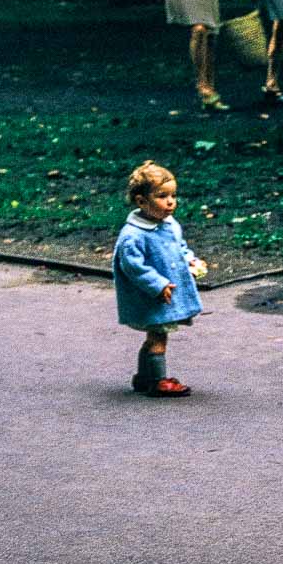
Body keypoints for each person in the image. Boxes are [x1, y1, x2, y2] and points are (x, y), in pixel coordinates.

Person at [112, 162, 207, 398]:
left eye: (173, 195)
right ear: (141, 201)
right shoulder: (133, 235)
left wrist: (190, 260)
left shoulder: (170, 224)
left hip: (165, 294)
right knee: (158, 335)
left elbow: (179, 247)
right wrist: (157, 284)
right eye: (162, 196)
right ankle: (157, 380)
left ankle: (144, 377)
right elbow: (133, 266)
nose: (171, 202)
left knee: (155, 334)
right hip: (151, 296)